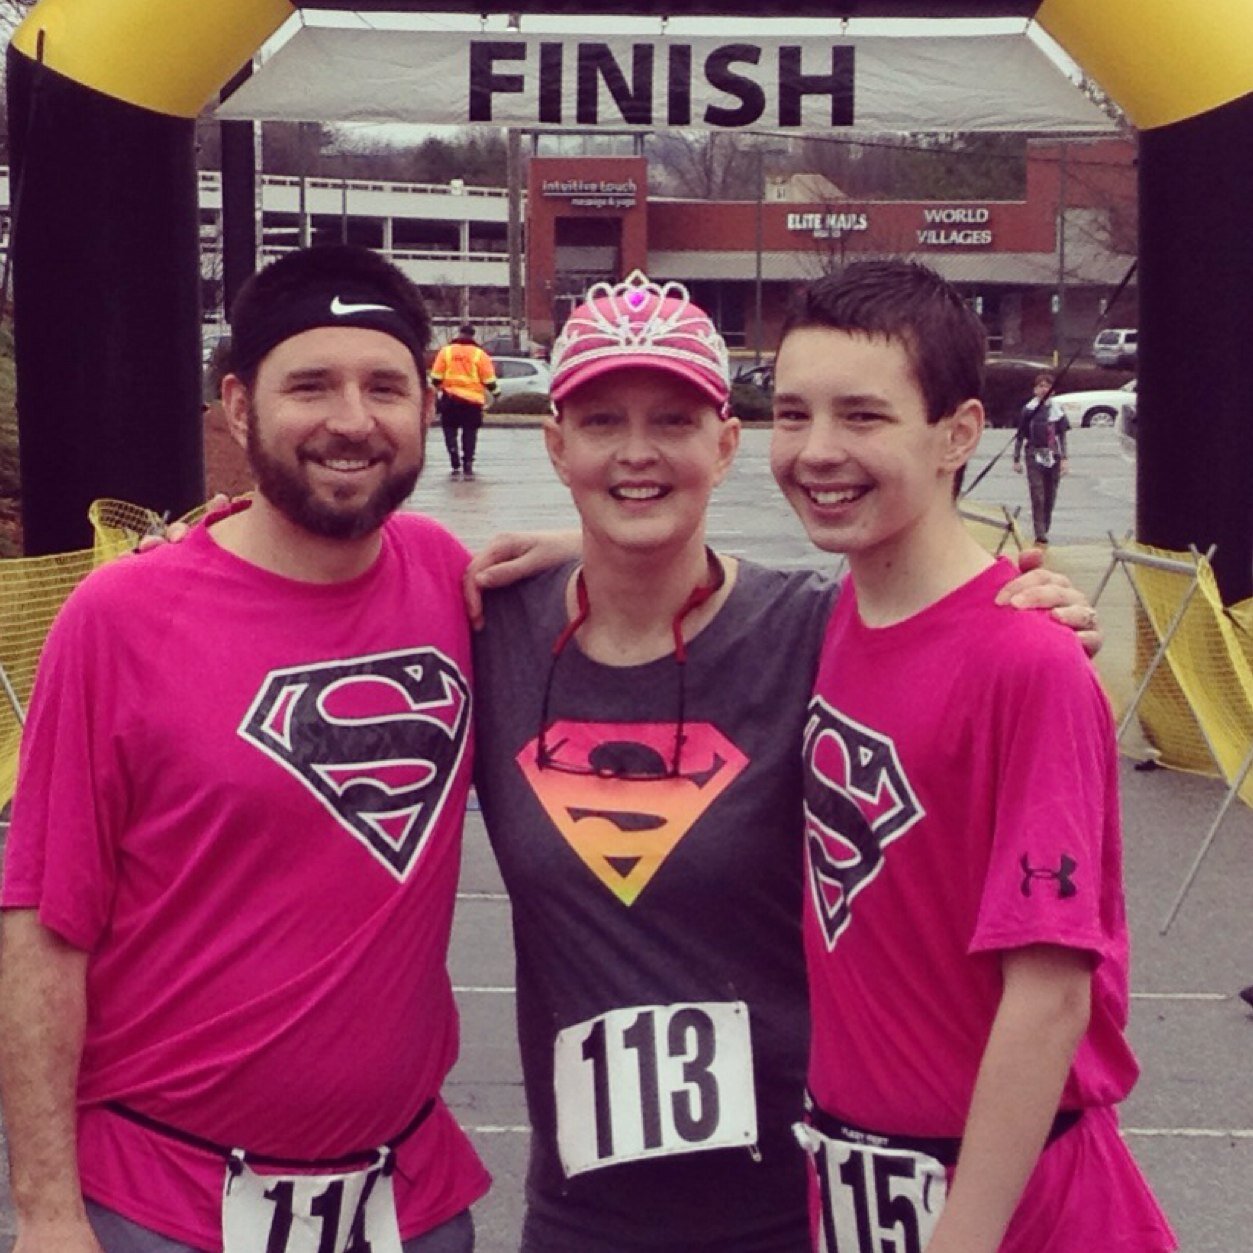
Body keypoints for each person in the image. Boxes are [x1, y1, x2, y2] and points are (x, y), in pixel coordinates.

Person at [467, 271, 1099, 1252]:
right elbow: (316, 584)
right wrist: (181, 544)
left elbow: (931, 617)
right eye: (601, 423)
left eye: (674, 421)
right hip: (581, 1210)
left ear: (723, 443)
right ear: (556, 445)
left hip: (796, 1197)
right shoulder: (483, 620)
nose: (637, 452)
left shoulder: (814, 629)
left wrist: (1032, 617)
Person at [0, 245, 489, 1253]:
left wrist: (595, 551)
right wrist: (47, 1210)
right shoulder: (120, 615)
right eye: (309, 384)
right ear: (236, 406)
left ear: (425, 406)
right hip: (163, 1205)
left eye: (384, 385)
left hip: (406, 1199)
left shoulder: (451, 579)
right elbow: (44, 927)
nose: (352, 420)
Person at [770, 261, 1175, 1252]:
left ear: (955, 434)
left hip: (1008, 1206)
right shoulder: (832, 618)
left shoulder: (1022, 661)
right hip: (863, 1182)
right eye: (791, 412)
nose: (817, 450)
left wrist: (963, 1234)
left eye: (862, 416)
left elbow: (1049, 994)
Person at [431, 323, 498, 481]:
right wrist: (496, 393)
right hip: (472, 402)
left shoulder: (445, 352)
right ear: (473, 335)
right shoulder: (479, 354)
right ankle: (467, 462)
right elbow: (489, 379)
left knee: (449, 430)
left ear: (459, 333)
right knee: (470, 433)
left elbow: (436, 378)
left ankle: (454, 461)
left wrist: (435, 392)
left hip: (450, 399)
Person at [1013, 371, 1070, 546]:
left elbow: (1062, 436)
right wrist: (1016, 459)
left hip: (1053, 454)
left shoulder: (1057, 411)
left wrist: (1065, 458)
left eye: (1047, 386)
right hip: (1033, 454)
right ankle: (1039, 531)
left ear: (1052, 390)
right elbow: (1020, 435)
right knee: (1037, 494)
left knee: (1050, 494)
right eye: (1040, 386)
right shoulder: (1028, 410)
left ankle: (1046, 525)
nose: (1043, 389)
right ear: (1034, 390)